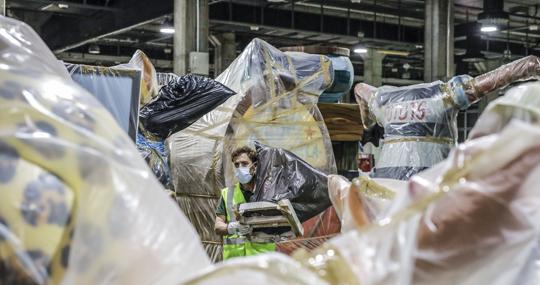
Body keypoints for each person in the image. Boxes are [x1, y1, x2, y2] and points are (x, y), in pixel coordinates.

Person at [214, 146, 276, 260]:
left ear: (255, 166)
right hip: (235, 262)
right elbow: (218, 226)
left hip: (262, 260)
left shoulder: (267, 193)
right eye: (236, 165)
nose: (240, 168)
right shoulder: (228, 193)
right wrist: (232, 228)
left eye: (244, 163)